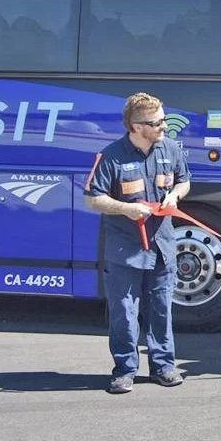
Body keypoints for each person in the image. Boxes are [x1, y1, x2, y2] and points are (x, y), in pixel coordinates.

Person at [84, 92, 190, 394]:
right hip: (125, 250)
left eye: (163, 120)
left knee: (160, 309)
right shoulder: (111, 156)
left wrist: (175, 195)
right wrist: (127, 209)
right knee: (125, 312)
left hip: (162, 247)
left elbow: (184, 180)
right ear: (135, 126)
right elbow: (92, 198)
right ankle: (124, 369)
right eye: (156, 122)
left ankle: (164, 366)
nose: (164, 126)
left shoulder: (170, 149)